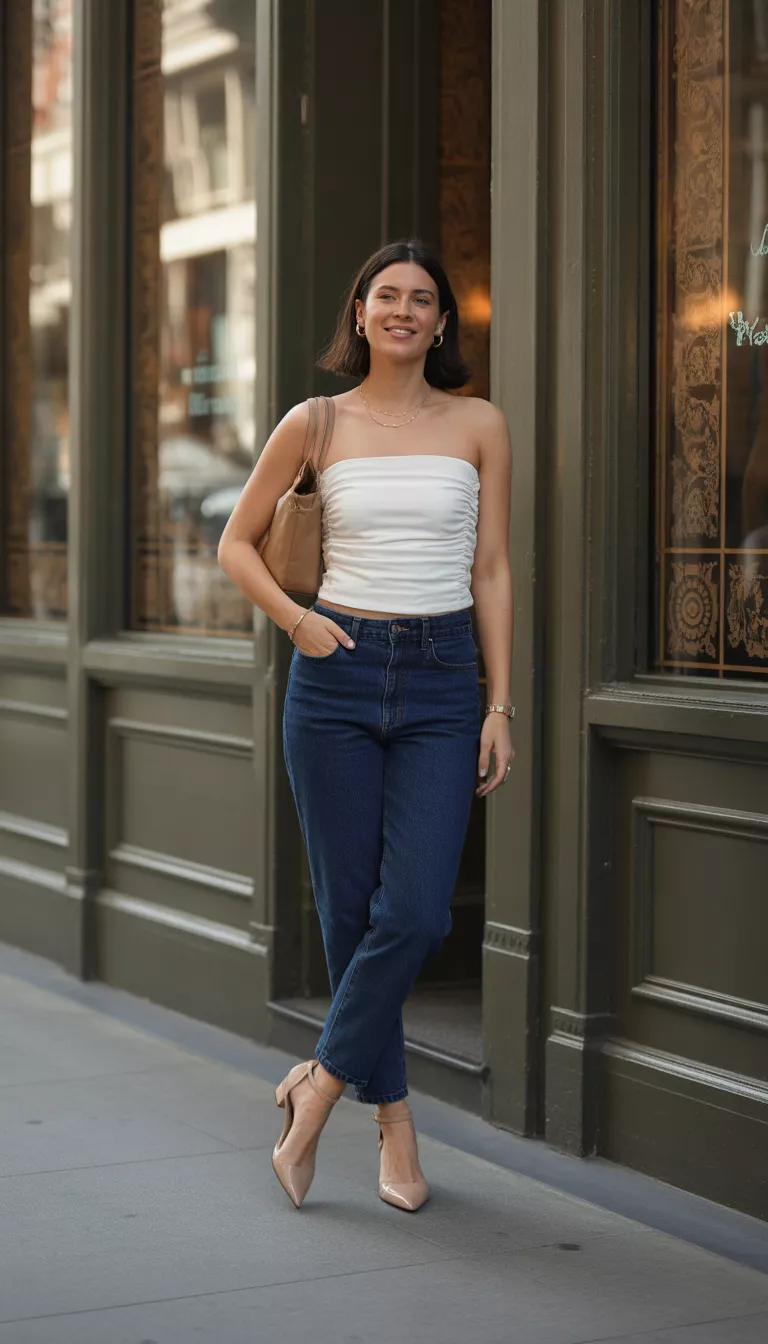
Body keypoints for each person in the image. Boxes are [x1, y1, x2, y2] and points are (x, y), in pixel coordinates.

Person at [218, 238, 514, 1213]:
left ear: (440, 323)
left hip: (440, 682)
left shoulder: (479, 425)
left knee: (418, 911)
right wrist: (300, 622)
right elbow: (237, 543)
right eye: (385, 295)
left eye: (421, 299)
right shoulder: (315, 421)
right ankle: (396, 1125)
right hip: (336, 675)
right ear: (360, 313)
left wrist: (498, 701)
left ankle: (316, 1090)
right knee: (351, 915)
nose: (402, 310)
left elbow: (493, 572)